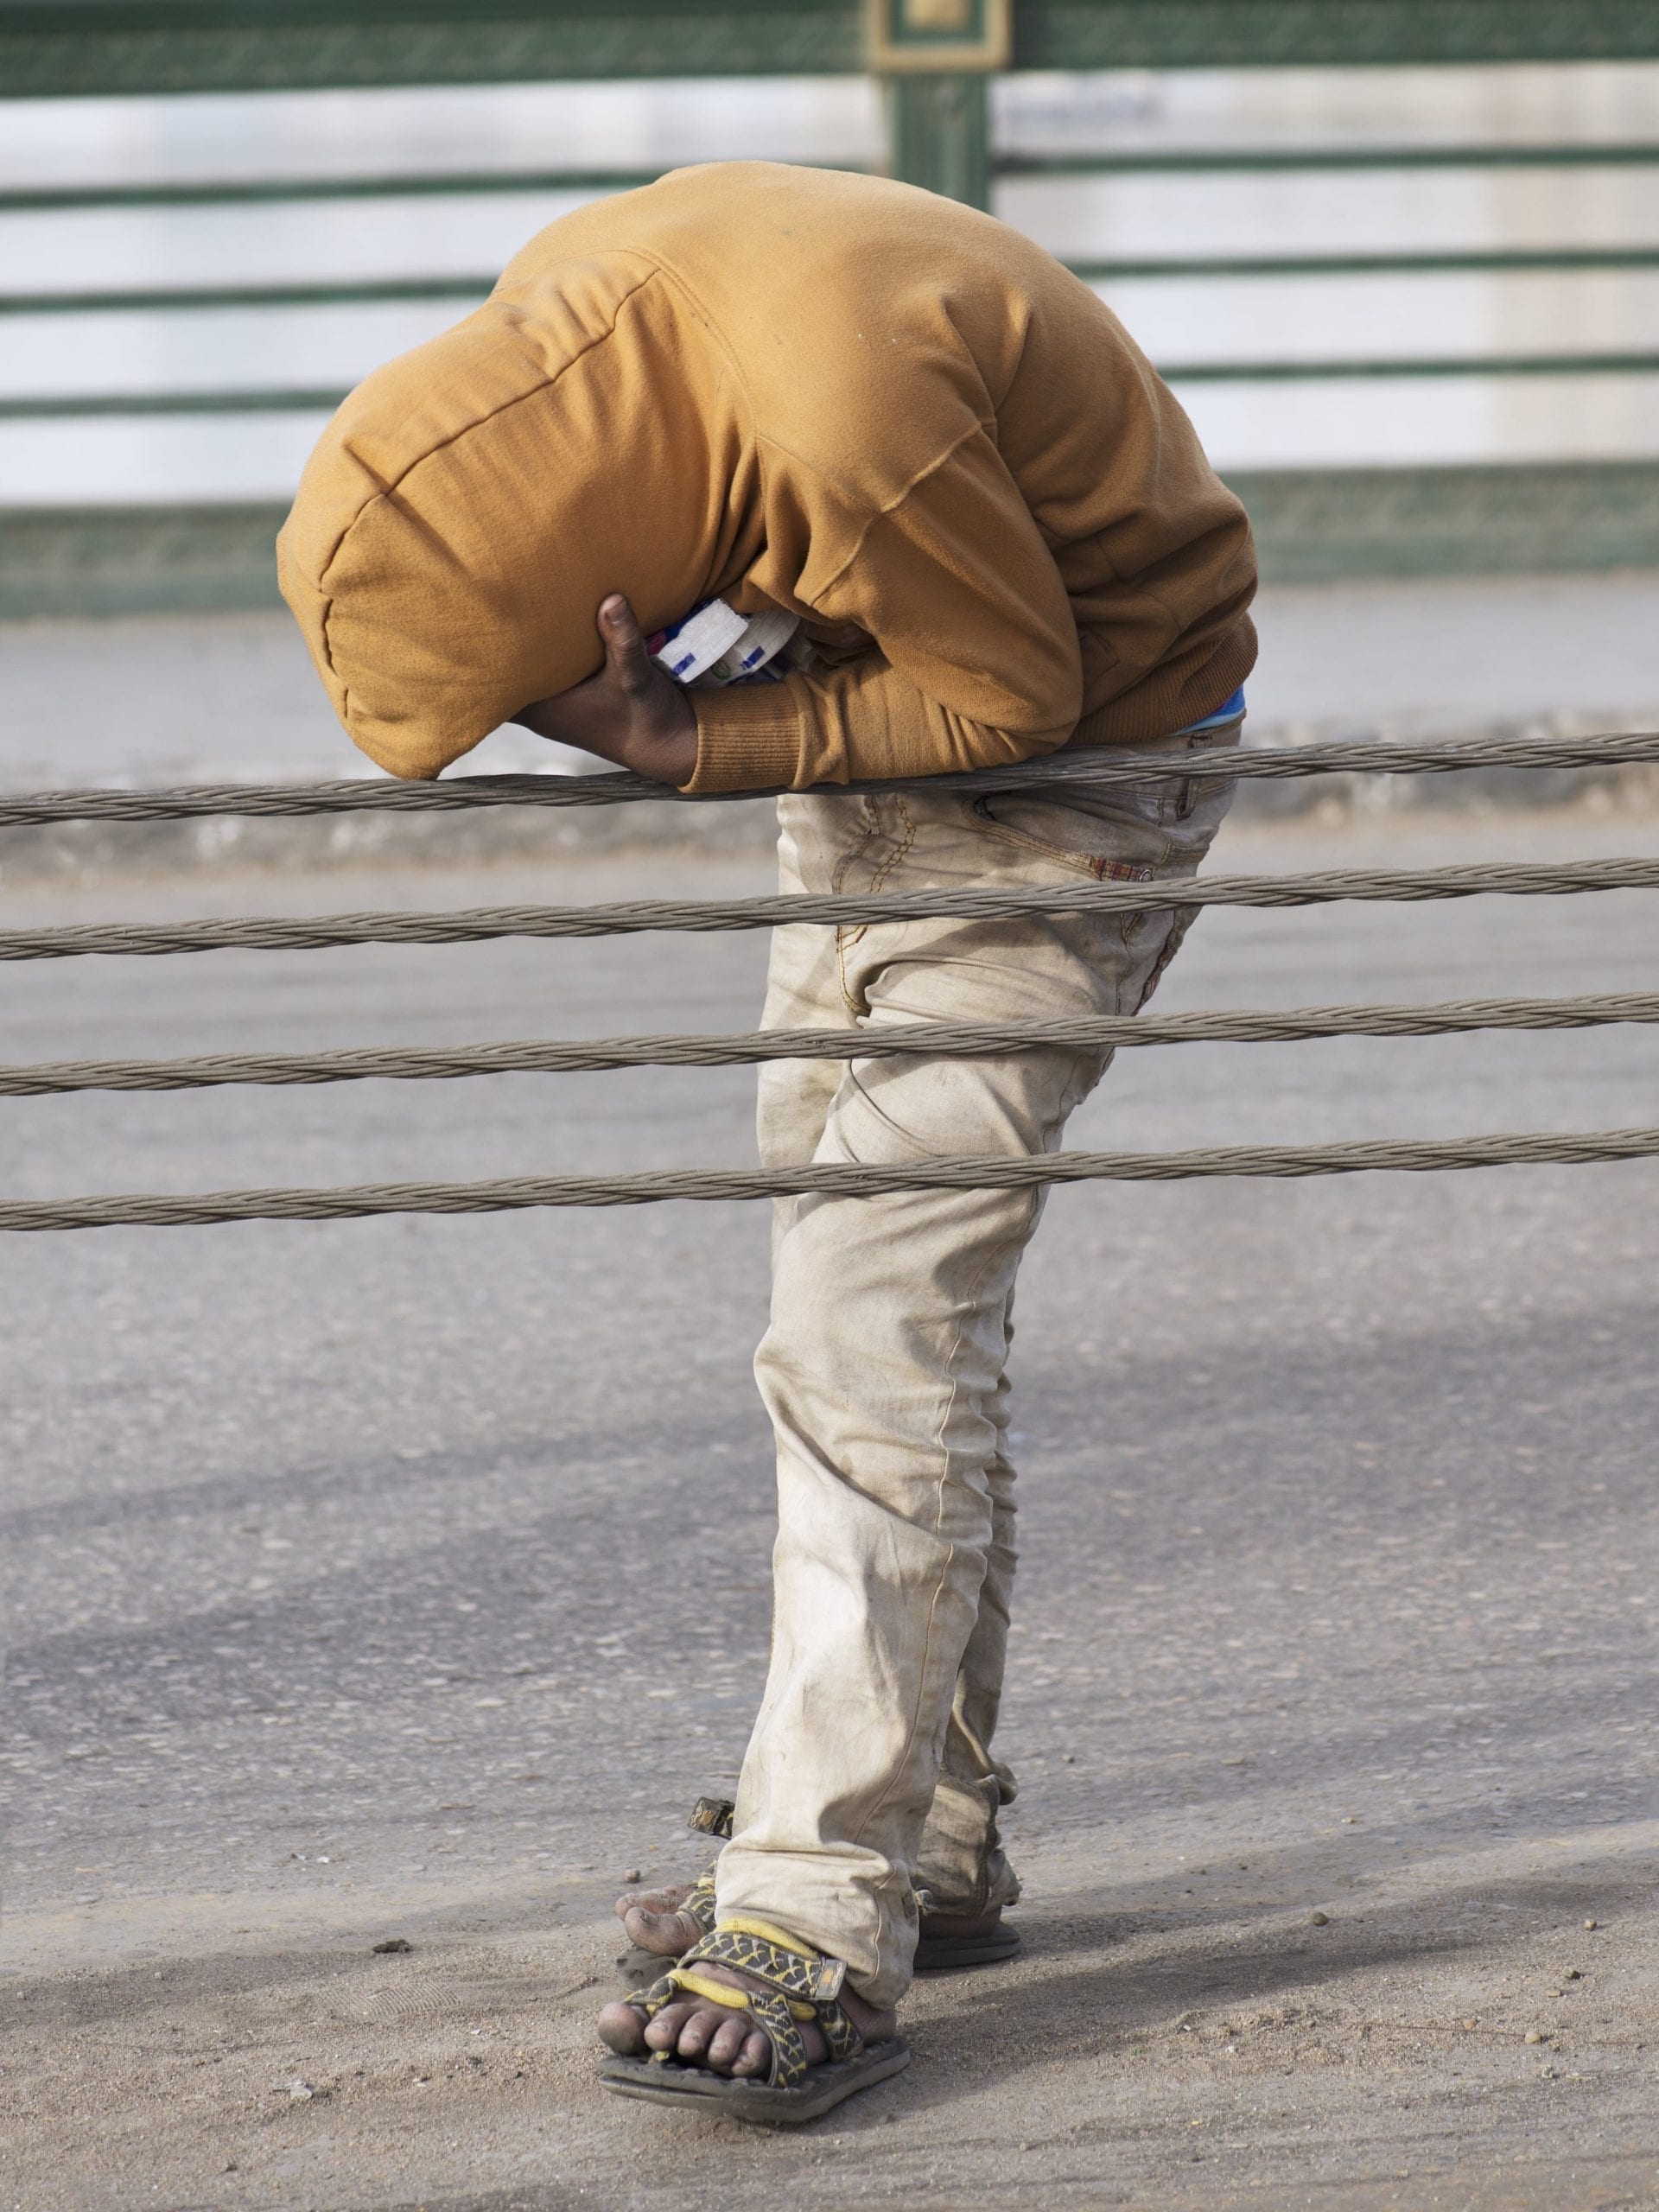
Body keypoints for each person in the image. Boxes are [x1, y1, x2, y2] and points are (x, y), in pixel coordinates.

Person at [279, 160, 1256, 2124]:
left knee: (866, 1329)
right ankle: (929, 1831)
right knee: (865, 1319)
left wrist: (670, 741)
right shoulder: (578, 299)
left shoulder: (835, 416)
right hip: (853, 722)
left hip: (1071, 785)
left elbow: (1007, 689)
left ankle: (818, 1903)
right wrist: (724, 706)